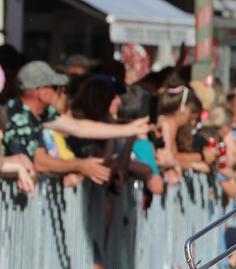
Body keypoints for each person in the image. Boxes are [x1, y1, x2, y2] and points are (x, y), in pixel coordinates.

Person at [1, 62, 149, 185]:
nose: (59, 93)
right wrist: (80, 165)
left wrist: (127, 129)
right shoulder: (19, 116)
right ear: (40, 92)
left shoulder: (42, 113)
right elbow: (40, 162)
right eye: (55, 88)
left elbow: (79, 127)